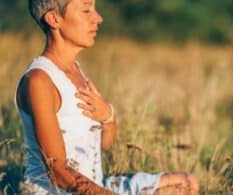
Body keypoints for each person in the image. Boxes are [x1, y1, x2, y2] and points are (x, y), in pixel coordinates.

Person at [15, 0, 200, 194]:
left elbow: (104, 143)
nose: (98, 18)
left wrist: (108, 118)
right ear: (54, 19)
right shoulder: (39, 80)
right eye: (86, 10)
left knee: (186, 184)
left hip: (96, 186)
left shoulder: (76, 71)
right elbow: (58, 171)